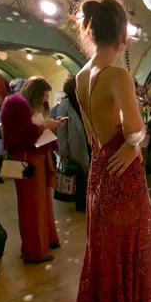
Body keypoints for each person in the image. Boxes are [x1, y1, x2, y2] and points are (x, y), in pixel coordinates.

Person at [72, 0, 151, 302]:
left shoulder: (81, 77)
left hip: (98, 177)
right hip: (122, 181)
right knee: (131, 262)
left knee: (104, 266)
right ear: (122, 33)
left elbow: (99, 132)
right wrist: (136, 142)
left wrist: (131, 143)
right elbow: (134, 130)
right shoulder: (117, 75)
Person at [1, 77, 63, 263]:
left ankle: (48, 239)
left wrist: (51, 125)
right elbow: (20, 136)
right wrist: (46, 125)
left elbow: (36, 131)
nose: (46, 99)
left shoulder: (32, 107)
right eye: (44, 95)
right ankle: (34, 250)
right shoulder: (15, 104)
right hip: (27, 159)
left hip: (39, 157)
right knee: (31, 206)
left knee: (43, 202)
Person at [57, 76, 91, 212]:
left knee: (88, 173)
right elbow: (61, 129)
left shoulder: (85, 101)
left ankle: (89, 201)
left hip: (88, 142)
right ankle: (81, 204)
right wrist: (63, 150)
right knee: (79, 175)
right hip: (74, 144)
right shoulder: (65, 104)